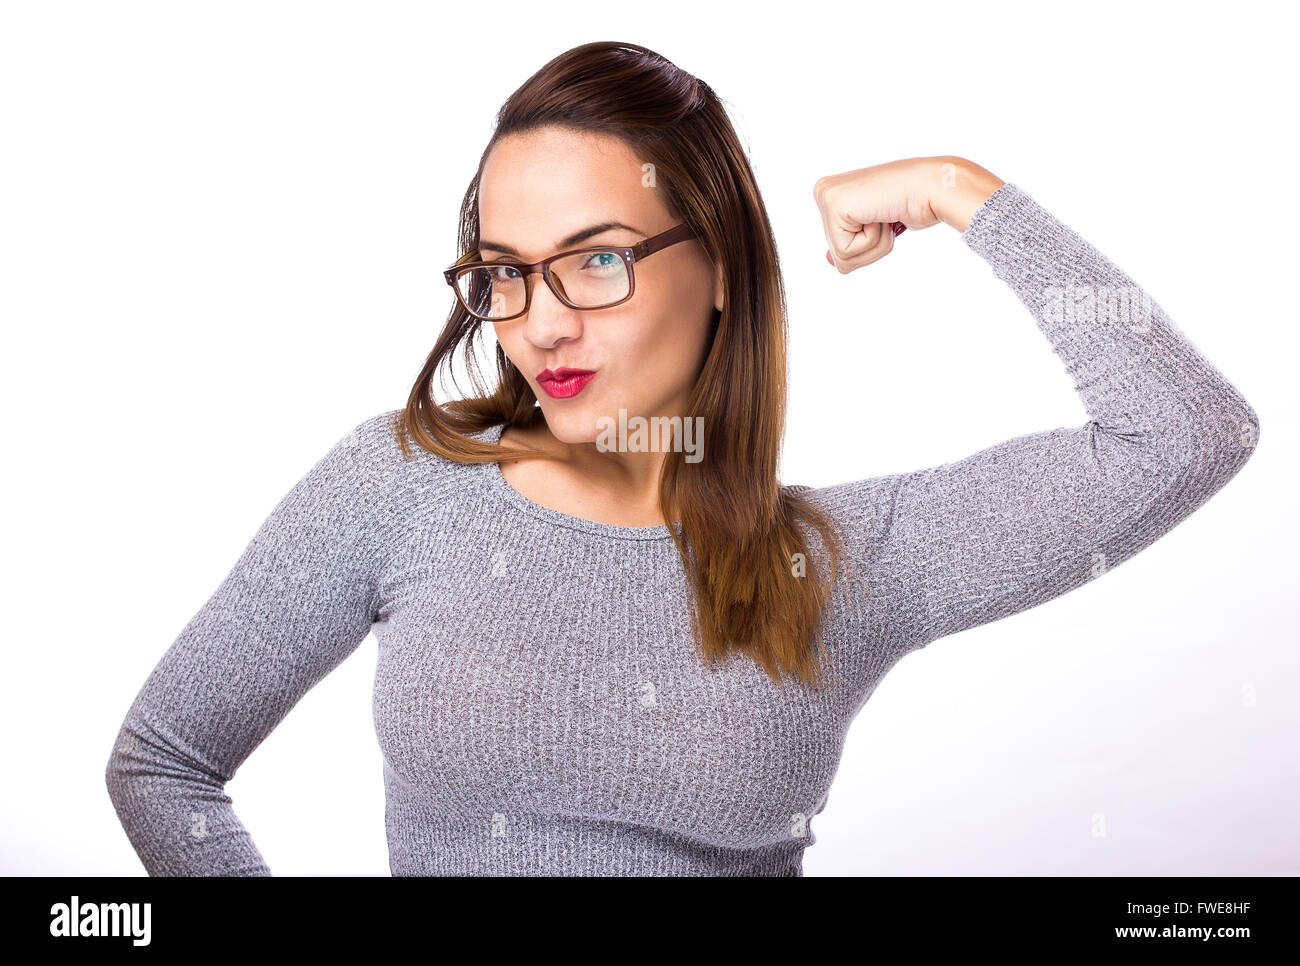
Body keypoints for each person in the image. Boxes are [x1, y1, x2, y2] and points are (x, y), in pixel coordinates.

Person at [105, 41, 1259, 876]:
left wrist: (958, 192)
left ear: (718, 269)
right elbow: (163, 759)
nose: (540, 322)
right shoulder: (400, 486)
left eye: (595, 261)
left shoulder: (841, 560)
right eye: (503, 270)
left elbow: (1189, 432)